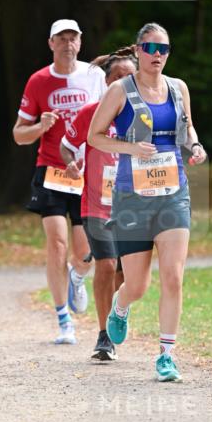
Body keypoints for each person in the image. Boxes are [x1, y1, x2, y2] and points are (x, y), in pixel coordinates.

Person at [88, 22, 207, 382]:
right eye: (151, 48)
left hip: (173, 193)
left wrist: (196, 146)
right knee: (137, 284)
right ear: (138, 50)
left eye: (164, 49)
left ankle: (167, 356)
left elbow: (187, 128)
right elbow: (95, 137)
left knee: (173, 277)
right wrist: (130, 148)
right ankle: (120, 307)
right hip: (132, 196)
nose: (157, 55)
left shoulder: (178, 88)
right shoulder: (120, 90)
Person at [13, 19, 106, 344]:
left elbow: (111, 116)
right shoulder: (38, 81)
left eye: (73, 38)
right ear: (51, 43)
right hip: (51, 171)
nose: (68, 43)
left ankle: (77, 278)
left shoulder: (95, 77)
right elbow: (18, 135)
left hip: (87, 173)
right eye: (61, 38)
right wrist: (40, 126)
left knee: (84, 252)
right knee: (56, 244)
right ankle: (63, 319)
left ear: (80, 43)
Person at [60, 46, 137, 361]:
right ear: (108, 83)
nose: (123, 83)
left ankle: (118, 312)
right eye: (117, 78)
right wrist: (72, 163)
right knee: (106, 265)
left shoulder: (144, 115)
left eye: (129, 78)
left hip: (134, 207)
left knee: (127, 274)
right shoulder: (91, 112)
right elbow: (67, 146)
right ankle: (104, 336)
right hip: (96, 204)